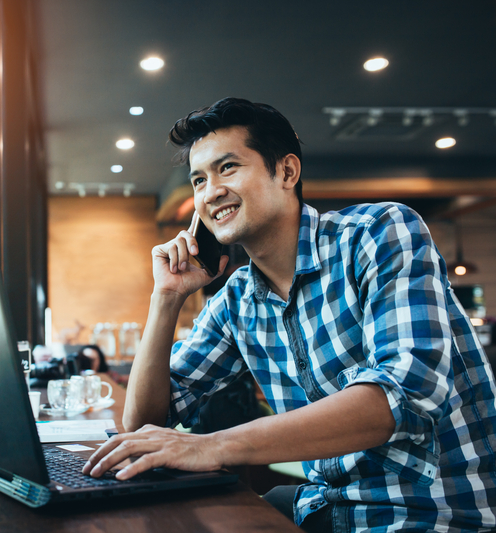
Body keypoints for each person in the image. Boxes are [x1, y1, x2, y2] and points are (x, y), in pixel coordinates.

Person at [82, 97, 496, 532]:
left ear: (286, 171)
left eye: (228, 168)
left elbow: (406, 392)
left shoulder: (378, 233)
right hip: (329, 508)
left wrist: (215, 446)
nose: (210, 192)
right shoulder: (237, 300)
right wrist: (166, 298)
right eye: (198, 179)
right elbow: (145, 423)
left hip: (433, 513)